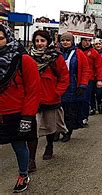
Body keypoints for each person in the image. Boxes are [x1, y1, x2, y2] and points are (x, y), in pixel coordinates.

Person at [0, 24, 41, 193]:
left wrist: (28, 116)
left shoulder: (23, 60)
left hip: (17, 114)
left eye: (0, 38)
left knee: (19, 146)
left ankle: (23, 175)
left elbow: (33, 91)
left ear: (8, 38)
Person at [27, 30, 69, 172]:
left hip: (50, 99)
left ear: (48, 42)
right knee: (32, 130)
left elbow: (64, 77)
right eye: (37, 41)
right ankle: (31, 159)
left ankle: (49, 145)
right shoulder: (28, 57)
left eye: (42, 41)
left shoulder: (56, 57)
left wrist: (56, 93)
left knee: (50, 127)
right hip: (33, 100)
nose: (39, 44)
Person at [58, 32, 91, 142]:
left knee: (69, 111)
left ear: (72, 41)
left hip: (72, 85)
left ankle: (67, 131)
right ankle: (56, 131)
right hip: (58, 87)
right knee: (57, 111)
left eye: (67, 40)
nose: (65, 42)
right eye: (63, 40)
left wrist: (82, 85)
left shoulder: (79, 53)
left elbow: (86, 70)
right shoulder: (56, 53)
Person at [78, 37, 102, 124]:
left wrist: (99, 80)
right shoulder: (76, 51)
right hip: (76, 79)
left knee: (85, 99)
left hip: (89, 79)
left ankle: (84, 117)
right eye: (85, 40)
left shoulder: (94, 53)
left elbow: (99, 67)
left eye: (89, 41)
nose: (87, 43)